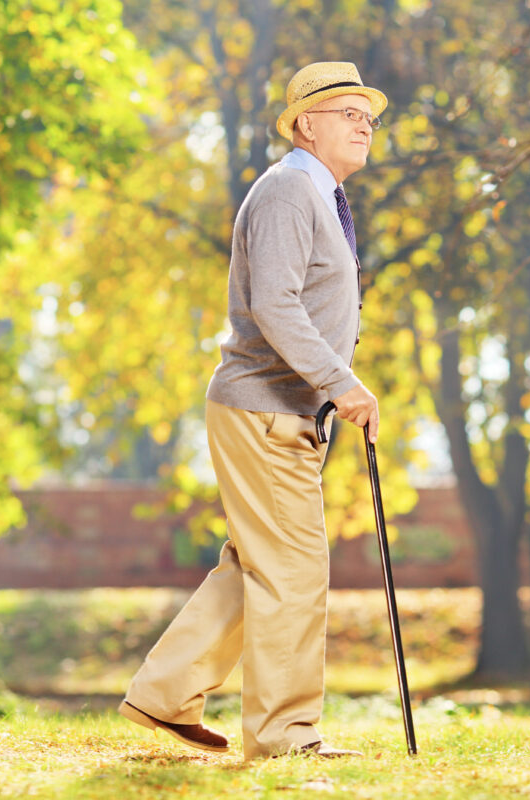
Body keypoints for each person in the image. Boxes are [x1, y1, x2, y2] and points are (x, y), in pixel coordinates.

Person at [118, 61, 387, 760]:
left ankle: (163, 695)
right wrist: (341, 382)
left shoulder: (314, 196)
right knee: (294, 571)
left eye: (369, 116)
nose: (364, 124)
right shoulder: (289, 192)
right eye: (347, 112)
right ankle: (284, 736)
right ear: (305, 124)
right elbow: (274, 303)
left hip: (279, 411)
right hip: (265, 409)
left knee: (256, 567)